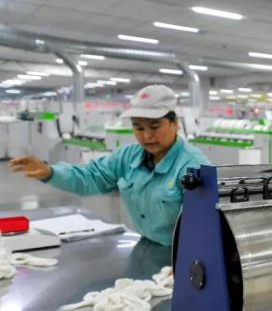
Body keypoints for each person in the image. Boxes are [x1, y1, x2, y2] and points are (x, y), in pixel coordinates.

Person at [9, 84, 209, 246]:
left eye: (154, 127)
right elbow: (91, 176)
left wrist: (190, 259)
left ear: (175, 124)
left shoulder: (193, 166)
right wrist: (50, 172)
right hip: (145, 245)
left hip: (182, 253)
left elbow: (202, 223)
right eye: (138, 128)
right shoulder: (128, 156)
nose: (147, 136)